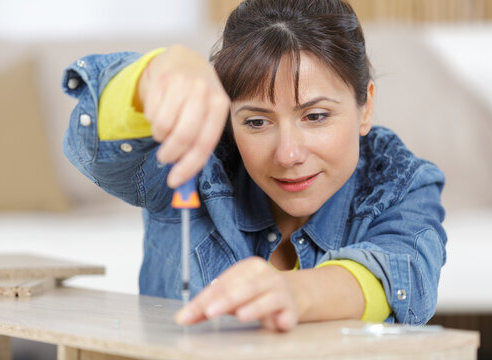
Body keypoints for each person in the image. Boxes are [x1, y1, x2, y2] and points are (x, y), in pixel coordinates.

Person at [62, 0, 446, 332]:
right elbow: (95, 146)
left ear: (367, 107)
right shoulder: (195, 159)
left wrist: (294, 294)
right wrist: (151, 76)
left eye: (315, 116)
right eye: (257, 122)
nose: (288, 155)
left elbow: (397, 277)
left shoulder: (400, 183)